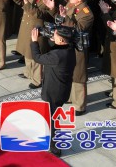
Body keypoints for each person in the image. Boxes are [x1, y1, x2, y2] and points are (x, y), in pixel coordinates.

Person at [30, 26, 76, 157]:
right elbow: (56, 49)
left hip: (54, 92)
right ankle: (51, 140)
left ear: (61, 40)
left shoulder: (57, 55)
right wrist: (50, 39)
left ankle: (55, 147)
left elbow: (38, 58)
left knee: (53, 119)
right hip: (62, 89)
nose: (52, 36)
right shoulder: (69, 48)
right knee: (53, 117)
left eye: (55, 35)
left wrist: (34, 42)